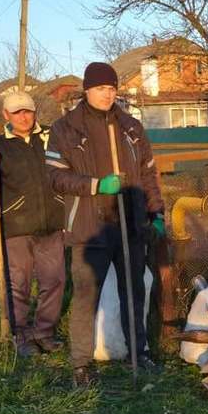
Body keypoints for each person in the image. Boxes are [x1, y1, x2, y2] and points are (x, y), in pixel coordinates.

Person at [46, 62, 166, 386]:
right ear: (87, 90)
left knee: (134, 292)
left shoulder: (130, 128)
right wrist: (97, 185)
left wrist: (156, 215)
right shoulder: (65, 129)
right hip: (89, 226)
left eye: (112, 88)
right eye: (101, 88)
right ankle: (81, 365)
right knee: (86, 295)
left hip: (130, 224)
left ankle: (137, 353)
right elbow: (56, 177)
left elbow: (148, 175)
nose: (107, 94)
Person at [0, 91, 65, 357]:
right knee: (19, 284)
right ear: (6, 115)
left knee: (54, 281)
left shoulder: (52, 138)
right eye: (17, 113)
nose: (24, 117)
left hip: (52, 223)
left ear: (35, 112)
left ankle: (44, 333)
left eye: (28, 111)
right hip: (16, 227)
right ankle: (21, 336)